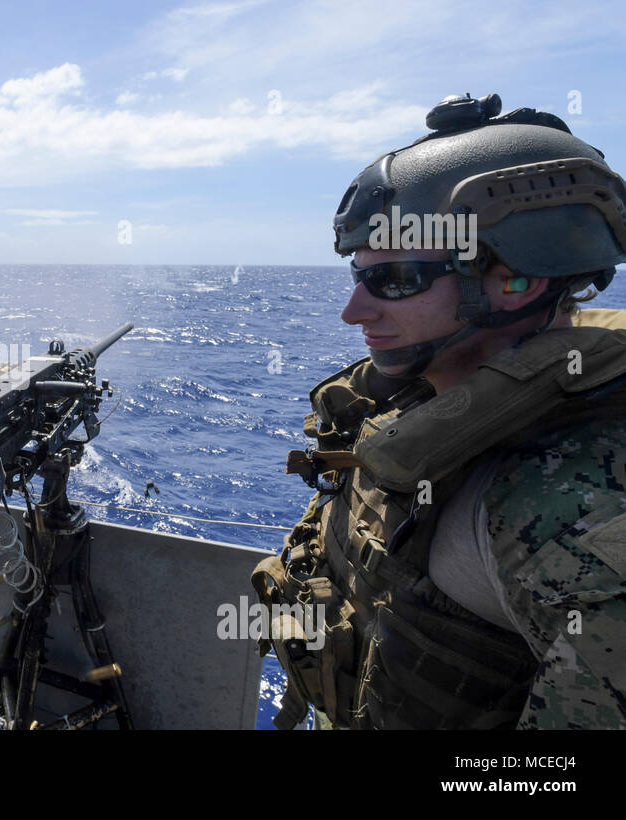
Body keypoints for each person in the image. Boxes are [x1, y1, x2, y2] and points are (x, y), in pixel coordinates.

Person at [254, 93, 626, 729]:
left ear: (517, 281)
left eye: (396, 279)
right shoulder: (423, 390)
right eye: (359, 277)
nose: (356, 312)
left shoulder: (568, 514)